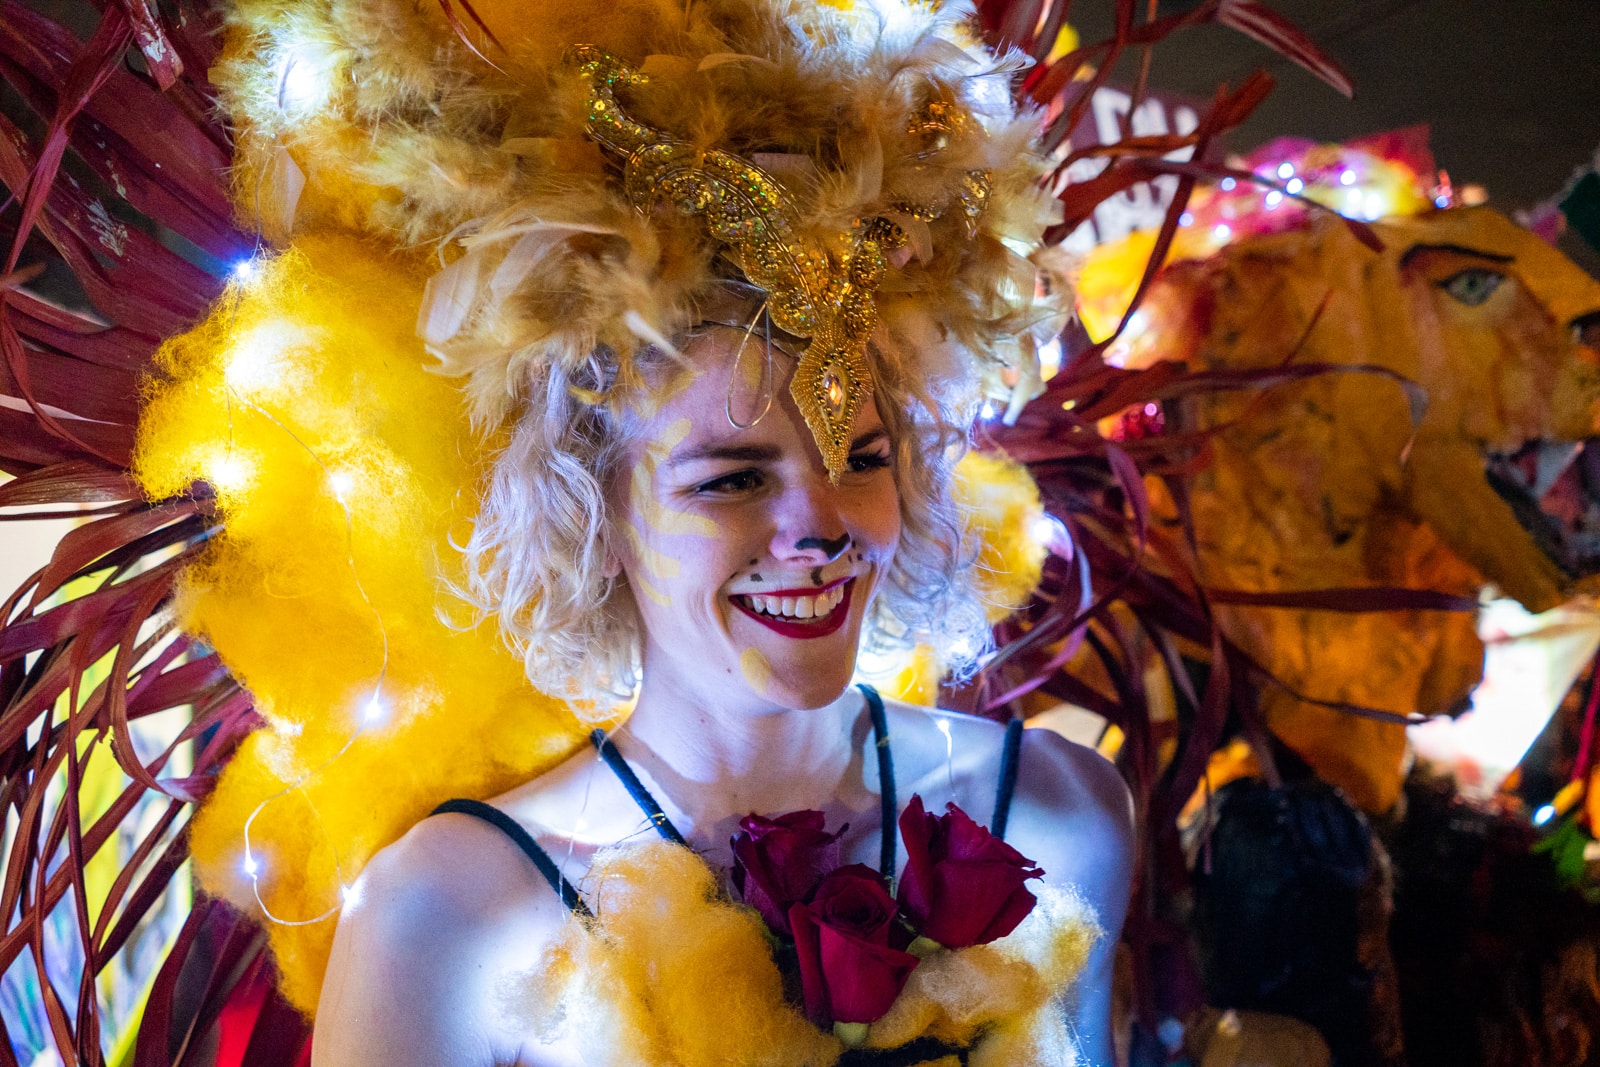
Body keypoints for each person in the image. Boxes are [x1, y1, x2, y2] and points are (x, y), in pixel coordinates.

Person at [311, 306, 1134, 1065]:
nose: (823, 527)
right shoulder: (442, 916)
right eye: (734, 478)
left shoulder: (1056, 811)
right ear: (593, 517)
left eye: (861, 458)